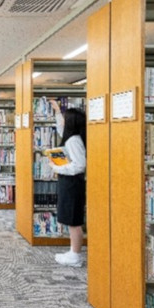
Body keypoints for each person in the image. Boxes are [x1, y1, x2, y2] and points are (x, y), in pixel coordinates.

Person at [49, 100, 87, 267]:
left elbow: (79, 165)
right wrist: (57, 111)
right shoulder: (72, 137)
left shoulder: (74, 141)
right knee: (71, 219)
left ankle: (75, 255)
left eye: (65, 118)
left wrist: (58, 168)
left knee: (73, 221)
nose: (63, 120)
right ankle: (73, 251)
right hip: (70, 182)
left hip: (73, 183)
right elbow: (60, 128)